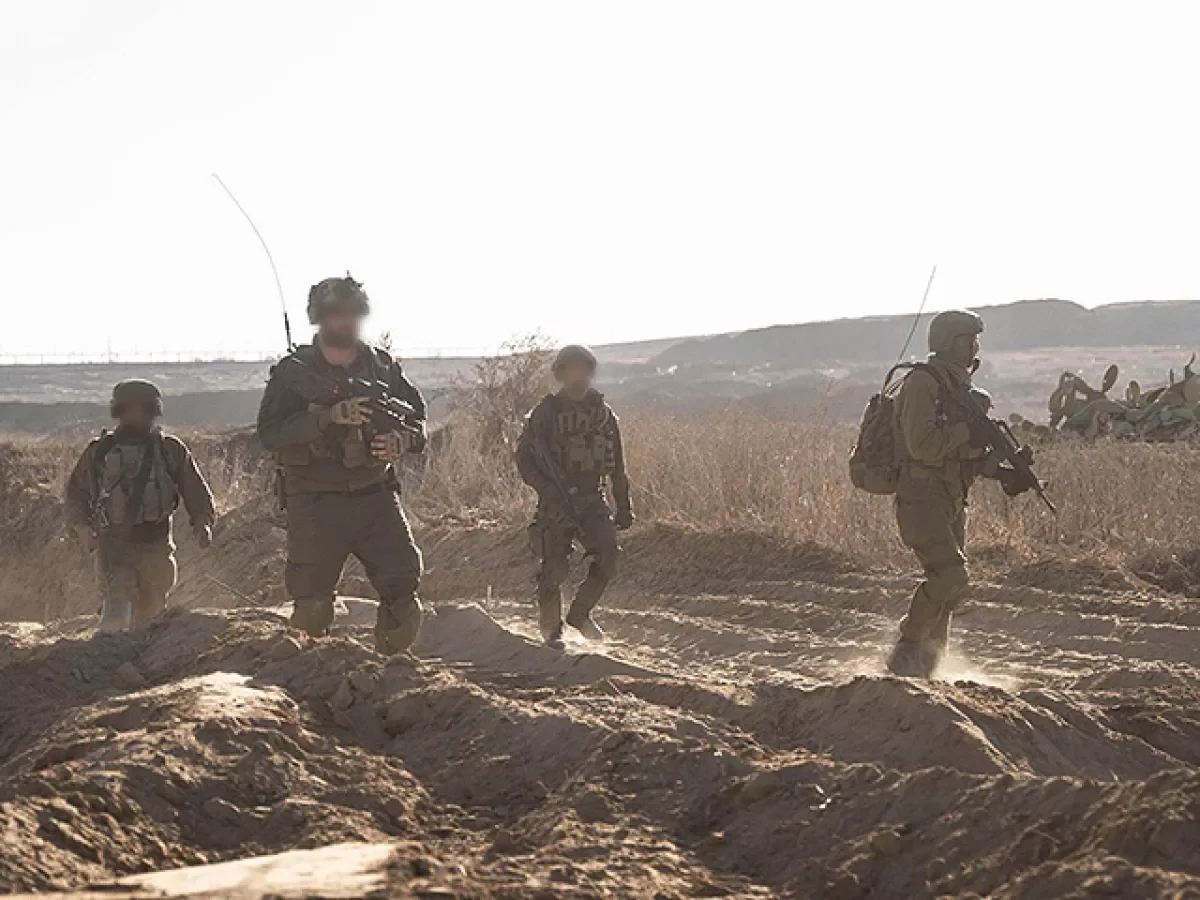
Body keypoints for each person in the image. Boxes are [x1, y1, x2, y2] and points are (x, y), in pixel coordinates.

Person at [257, 274, 428, 655]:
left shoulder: (382, 368)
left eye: (353, 312)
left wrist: (403, 441)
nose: (346, 321)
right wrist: (326, 418)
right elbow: (270, 434)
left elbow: (418, 422)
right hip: (315, 502)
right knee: (313, 608)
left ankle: (387, 682)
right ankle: (305, 693)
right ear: (320, 317)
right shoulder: (294, 374)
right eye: (337, 313)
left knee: (404, 600)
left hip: (376, 498)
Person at [886, 310, 1028, 678]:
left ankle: (929, 665)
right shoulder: (922, 383)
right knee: (951, 576)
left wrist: (1005, 472)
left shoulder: (965, 391)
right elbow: (922, 446)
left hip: (951, 497)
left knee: (948, 592)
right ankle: (905, 650)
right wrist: (967, 432)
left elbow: (967, 458)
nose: (976, 347)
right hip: (921, 494)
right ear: (949, 342)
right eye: (969, 339)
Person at [65, 379, 216, 631]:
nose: (136, 415)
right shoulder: (99, 452)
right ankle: (109, 659)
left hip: (156, 547)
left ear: (153, 410)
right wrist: (81, 528)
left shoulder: (170, 450)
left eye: (142, 408)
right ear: (119, 411)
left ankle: (139, 667)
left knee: (151, 617)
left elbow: (196, 491)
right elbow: (76, 494)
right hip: (114, 546)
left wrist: (203, 524)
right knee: (116, 616)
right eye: (130, 408)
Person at [516, 345, 633, 650]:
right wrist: (547, 489)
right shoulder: (546, 413)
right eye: (571, 370)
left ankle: (579, 614)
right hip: (555, 500)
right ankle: (551, 632)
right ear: (561, 373)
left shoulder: (603, 415)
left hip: (591, 497)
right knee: (553, 569)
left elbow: (617, 465)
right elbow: (524, 460)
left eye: (583, 370)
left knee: (608, 557)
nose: (578, 376)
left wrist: (623, 505)